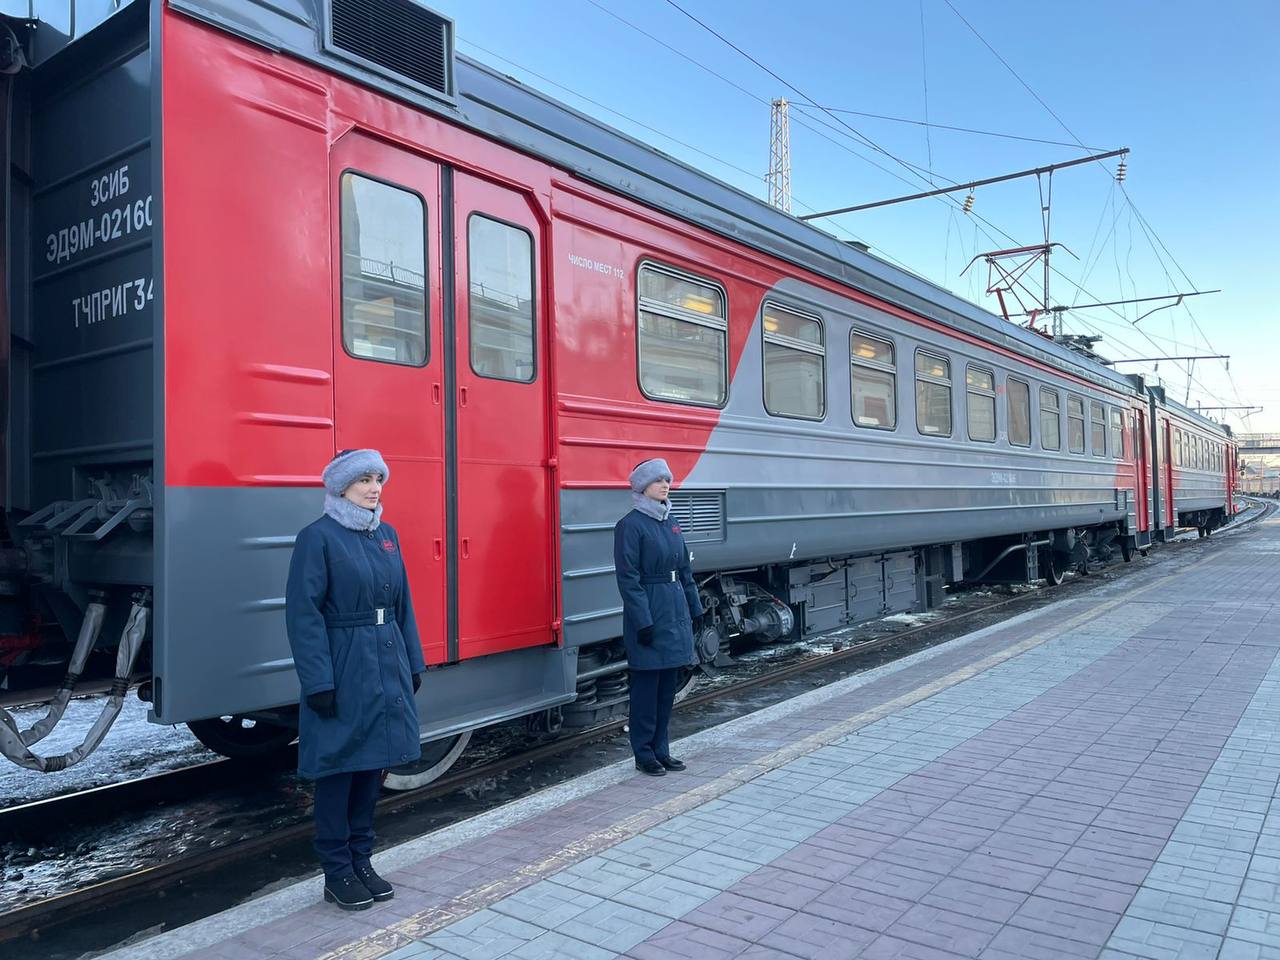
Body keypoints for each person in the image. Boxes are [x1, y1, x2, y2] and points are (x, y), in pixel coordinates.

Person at [286, 448, 426, 910]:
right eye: (364, 479)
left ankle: (362, 859)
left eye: (378, 479)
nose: (374, 488)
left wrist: (413, 662)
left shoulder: (387, 536)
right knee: (338, 769)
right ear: (340, 485)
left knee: (372, 766)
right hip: (343, 666)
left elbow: (403, 604)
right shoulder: (318, 538)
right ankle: (336, 871)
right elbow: (303, 616)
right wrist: (318, 681)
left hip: (385, 660)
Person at [613, 458, 704, 776]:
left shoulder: (671, 520)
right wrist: (644, 622)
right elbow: (628, 579)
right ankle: (643, 753)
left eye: (667, 479)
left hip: (675, 608)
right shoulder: (630, 525)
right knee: (646, 689)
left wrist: (695, 608)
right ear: (642, 486)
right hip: (651, 612)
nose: (666, 485)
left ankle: (662, 749)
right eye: (658, 481)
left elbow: (684, 569)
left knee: (668, 688)